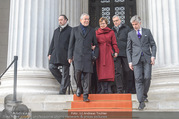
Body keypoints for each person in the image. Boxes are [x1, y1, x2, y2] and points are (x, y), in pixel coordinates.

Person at [126, 15, 157, 110]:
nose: (134, 26)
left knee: (147, 77)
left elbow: (153, 45)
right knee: (138, 79)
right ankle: (141, 102)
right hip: (136, 60)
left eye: (136, 24)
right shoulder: (130, 34)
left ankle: (144, 94)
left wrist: (153, 56)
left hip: (147, 58)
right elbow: (128, 49)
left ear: (140, 23)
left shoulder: (147, 31)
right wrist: (130, 61)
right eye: (133, 24)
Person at [68, 13, 99, 102]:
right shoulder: (74, 30)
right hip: (77, 56)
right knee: (77, 74)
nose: (86, 21)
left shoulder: (92, 30)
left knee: (87, 76)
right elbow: (71, 44)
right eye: (85, 19)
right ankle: (79, 88)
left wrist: (95, 55)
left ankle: (85, 95)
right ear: (81, 20)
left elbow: (96, 45)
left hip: (88, 57)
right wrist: (70, 56)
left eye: (88, 19)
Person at [48, 14, 72, 94]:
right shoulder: (56, 30)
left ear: (66, 20)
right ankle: (65, 82)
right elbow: (52, 43)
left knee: (65, 72)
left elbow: (72, 44)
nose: (60, 21)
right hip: (55, 54)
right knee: (51, 67)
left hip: (65, 54)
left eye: (61, 20)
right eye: (59, 20)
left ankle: (62, 91)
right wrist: (49, 53)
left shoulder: (71, 30)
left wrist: (71, 55)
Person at [112, 15, 135, 94]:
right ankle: (119, 89)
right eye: (114, 21)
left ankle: (128, 89)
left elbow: (130, 40)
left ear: (120, 20)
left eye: (117, 20)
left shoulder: (126, 28)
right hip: (116, 54)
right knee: (117, 72)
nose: (115, 22)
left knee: (127, 70)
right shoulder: (112, 30)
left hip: (125, 53)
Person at [96, 17, 119, 94]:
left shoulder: (111, 32)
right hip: (100, 53)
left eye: (103, 23)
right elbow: (93, 42)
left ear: (106, 24)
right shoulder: (96, 32)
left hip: (108, 53)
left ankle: (109, 88)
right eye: (100, 24)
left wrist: (116, 51)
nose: (101, 25)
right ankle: (103, 89)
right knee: (101, 71)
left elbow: (114, 43)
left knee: (109, 71)